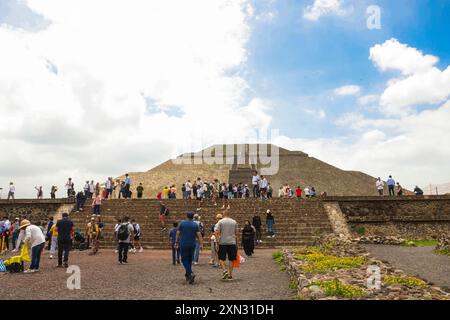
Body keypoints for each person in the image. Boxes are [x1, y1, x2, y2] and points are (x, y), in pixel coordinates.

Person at [175, 212, 203, 284]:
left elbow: (178, 233)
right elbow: (199, 235)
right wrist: (201, 244)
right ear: (193, 217)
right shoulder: (195, 224)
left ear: (186, 216)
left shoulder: (182, 223)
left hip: (183, 244)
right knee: (190, 259)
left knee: (184, 260)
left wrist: (176, 241)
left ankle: (190, 273)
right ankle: (188, 275)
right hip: (192, 244)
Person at [215, 210, 238, 281]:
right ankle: (230, 275)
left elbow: (216, 232)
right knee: (231, 259)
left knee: (221, 258)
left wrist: (217, 242)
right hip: (232, 242)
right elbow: (236, 233)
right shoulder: (234, 222)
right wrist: (237, 243)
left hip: (222, 242)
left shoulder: (220, 222)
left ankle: (224, 270)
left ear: (223, 214)